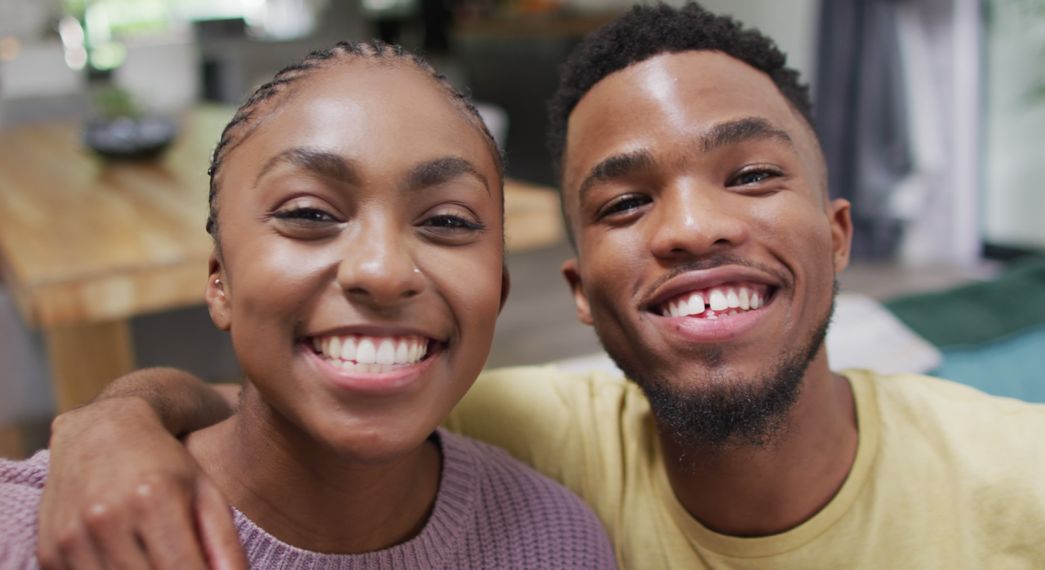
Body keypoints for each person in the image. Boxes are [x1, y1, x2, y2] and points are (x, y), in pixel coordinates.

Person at [26, 3, 1045, 568]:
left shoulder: (1042, 481)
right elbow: (254, 408)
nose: (696, 226)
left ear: (840, 235)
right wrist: (106, 433)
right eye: (625, 204)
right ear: (578, 291)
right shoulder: (528, 436)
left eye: (751, 175)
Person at [0, 40, 617, 570]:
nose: (382, 270)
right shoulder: (45, 535)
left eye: (448, 221)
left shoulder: (557, 540)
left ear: (498, 294)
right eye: (309, 214)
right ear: (221, 283)